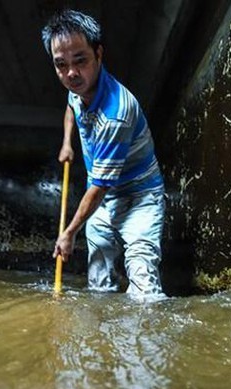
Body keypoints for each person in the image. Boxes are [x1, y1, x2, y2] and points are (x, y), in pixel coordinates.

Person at [41, 9, 166, 298]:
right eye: (61, 65)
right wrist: (67, 143)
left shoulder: (116, 113)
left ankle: (148, 339)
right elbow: (71, 106)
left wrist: (68, 233)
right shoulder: (78, 88)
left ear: (98, 54)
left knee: (143, 283)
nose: (71, 73)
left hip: (139, 197)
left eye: (80, 61)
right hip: (104, 198)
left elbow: (99, 187)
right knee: (99, 285)